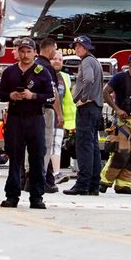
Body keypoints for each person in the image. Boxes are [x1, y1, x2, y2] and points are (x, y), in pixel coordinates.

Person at [0, 37, 54, 209]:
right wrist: (11, 95)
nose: (25, 55)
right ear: (17, 53)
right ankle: (12, 195)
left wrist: (33, 96)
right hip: (15, 118)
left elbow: (50, 96)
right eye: (22, 51)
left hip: (35, 118)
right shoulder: (10, 72)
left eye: (29, 51)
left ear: (35, 53)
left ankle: (36, 197)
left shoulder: (42, 72)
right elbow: (0, 94)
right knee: (15, 157)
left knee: (37, 157)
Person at [99, 53, 131, 194]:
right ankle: (104, 181)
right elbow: (105, 92)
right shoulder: (120, 78)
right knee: (121, 153)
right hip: (123, 123)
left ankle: (124, 185)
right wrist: (117, 109)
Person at [64, 35, 105, 196]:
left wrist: (83, 98)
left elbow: (88, 80)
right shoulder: (95, 61)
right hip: (95, 108)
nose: (76, 49)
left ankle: (82, 184)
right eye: (75, 46)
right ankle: (93, 184)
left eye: (79, 46)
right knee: (93, 146)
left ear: (87, 47)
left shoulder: (87, 62)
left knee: (84, 146)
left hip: (87, 108)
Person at [36, 38, 64, 193]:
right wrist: (59, 115)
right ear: (51, 48)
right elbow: (54, 94)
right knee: (46, 148)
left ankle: (47, 179)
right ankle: (44, 181)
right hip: (46, 110)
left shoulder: (34, 65)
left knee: (35, 147)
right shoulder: (47, 67)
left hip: (33, 111)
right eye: (55, 49)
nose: (56, 52)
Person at [52, 50, 75, 185]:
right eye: (54, 58)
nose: (57, 61)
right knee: (47, 147)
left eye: (60, 60)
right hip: (46, 117)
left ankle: (55, 174)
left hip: (60, 119)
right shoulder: (45, 74)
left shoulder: (64, 77)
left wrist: (70, 120)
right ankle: (52, 174)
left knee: (56, 146)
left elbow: (68, 100)